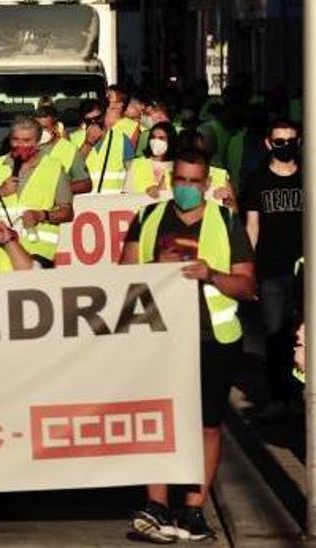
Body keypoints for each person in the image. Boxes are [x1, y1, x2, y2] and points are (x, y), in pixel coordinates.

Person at [123, 148, 256, 543]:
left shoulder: (226, 222)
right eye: (180, 180)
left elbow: (247, 286)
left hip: (212, 338)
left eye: (195, 182)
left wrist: (210, 274)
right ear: (171, 180)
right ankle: (157, 505)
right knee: (157, 421)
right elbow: (122, 277)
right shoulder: (147, 219)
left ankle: (193, 508)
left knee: (207, 426)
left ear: (207, 184)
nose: (186, 189)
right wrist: (156, 270)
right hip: (158, 337)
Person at [241, 119, 304, 420]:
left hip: (307, 271)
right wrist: (249, 269)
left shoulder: (309, 177)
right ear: (269, 144)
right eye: (279, 141)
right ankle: (280, 397)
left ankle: (303, 393)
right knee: (276, 334)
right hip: (270, 270)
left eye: (290, 140)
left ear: (299, 142)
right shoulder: (257, 182)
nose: (285, 146)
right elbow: (252, 227)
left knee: (306, 335)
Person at [0, 117, 73, 267]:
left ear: (38, 141)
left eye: (27, 140)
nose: (20, 145)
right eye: (16, 139)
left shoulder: (53, 167)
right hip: (0, 254)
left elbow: (67, 212)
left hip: (39, 254)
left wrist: (41, 215)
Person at [125, 121, 178, 196]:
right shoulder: (136, 164)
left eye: (161, 138)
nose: (156, 141)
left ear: (171, 141)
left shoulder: (178, 167)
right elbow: (127, 195)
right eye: (153, 137)